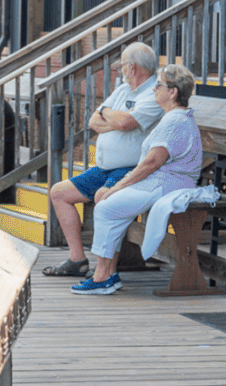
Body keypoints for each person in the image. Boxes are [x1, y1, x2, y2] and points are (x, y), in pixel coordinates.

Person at [71, 65, 204, 295]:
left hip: (167, 184)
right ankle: (108, 274)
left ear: (172, 92)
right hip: (163, 181)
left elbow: (152, 162)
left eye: (159, 85)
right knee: (107, 203)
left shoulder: (174, 121)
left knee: (105, 208)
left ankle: (102, 276)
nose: (154, 88)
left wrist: (120, 186)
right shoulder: (173, 117)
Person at [44, 42, 163, 278]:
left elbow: (127, 123)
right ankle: (77, 260)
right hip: (104, 168)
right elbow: (92, 121)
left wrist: (107, 114)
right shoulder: (123, 90)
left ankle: (106, 269)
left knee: (103, 198)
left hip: (132, 169)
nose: (120, 71)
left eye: (122, 67)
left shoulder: (154, 93)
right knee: (59, 193)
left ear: (132, 68)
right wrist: (115, 118)